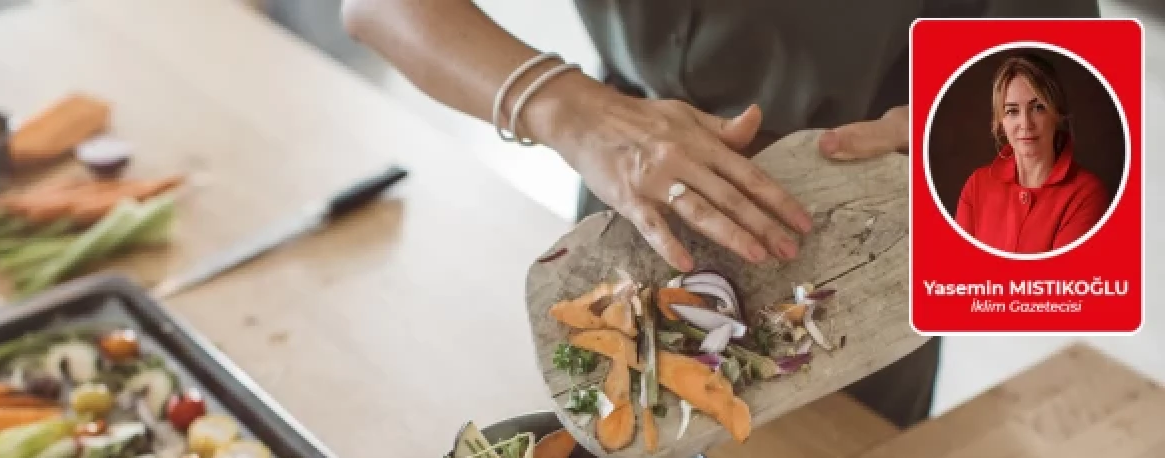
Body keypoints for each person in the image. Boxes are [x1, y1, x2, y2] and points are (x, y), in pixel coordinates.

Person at [341, 0, 1100, 428]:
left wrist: (985, 149)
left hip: (862, 246)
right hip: (630, 207)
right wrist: (571, 111)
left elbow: (1076, 83)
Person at [954, 52, 1111, 254]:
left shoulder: (1087, 194)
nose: (1026, 124)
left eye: (1038, 108)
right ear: (1000, 122)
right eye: (1012, 111)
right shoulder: (976, 186)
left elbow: (1057, 282)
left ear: (1057, 114)